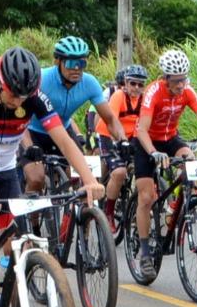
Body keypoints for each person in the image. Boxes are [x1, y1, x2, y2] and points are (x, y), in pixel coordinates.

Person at [0, 47, 104, 302]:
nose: (18, 101)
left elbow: (64, 141)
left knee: (17, 241)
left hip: (6, 169)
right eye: (13, 94)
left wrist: (89, 180)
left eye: (24, 96)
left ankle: (3, 285)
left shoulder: (35, 98)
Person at [133, 49, 197, 280]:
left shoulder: (187, 92)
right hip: (145, 141)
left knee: (190, 159)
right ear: (166, 78)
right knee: (147, 197)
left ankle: (180, 204)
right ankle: (145, 251)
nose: (181, 85)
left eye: (184, 79)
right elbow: (141, 130)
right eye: (177, 81)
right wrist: (153, 152)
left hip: (171, 138)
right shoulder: (153, 92)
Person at [20, 36, 127, 193]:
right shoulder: (41, 79)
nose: (77, 68)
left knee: (85, 178)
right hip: (33, 131)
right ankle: (33, 217)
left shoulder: (90, 83)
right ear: (58, 62)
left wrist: (123, 140)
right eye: (71, 63)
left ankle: (83, 215)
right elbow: (19, 117)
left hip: (62, 130)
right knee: (37, 179)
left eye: (82, 63)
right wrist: (29, 146)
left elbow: (110, 119)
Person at [95, 63, 145, 228]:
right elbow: (113, 121)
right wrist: (121, 139)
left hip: (131, 137)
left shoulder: (144, 99)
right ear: (126, 82)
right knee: (119, 172)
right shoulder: (118, 96)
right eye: (133, 83)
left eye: (140, 84)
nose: (136, 88)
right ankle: (108, 212)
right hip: (109, 134)